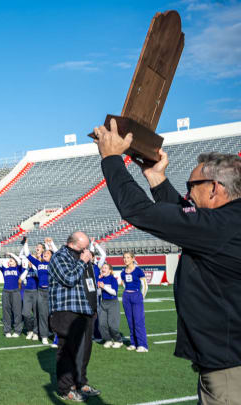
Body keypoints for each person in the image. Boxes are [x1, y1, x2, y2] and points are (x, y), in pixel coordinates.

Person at [95, 121, 241, 402]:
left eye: (191, 186)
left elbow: (139, 211)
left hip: (230, 373)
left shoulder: (220, 226)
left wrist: (112, 159)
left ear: (214, 188)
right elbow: (187, 218)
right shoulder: (227, 222)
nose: (187, 193)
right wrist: (156, 178)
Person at [48, 231, 100, 402]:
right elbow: (69, 278)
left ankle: (80, 382)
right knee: (68, 351)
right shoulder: (59, 257)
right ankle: (65, 388)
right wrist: (83, 262)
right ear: (72, 244)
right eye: (82, 247)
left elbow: (89, 283)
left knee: (84, 352)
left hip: (85, 310)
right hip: (66, 311)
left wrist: (93, 306)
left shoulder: (82, 258)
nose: (85, 251)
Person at [23, 239, 53, 345]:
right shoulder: (39, 264)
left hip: (51, 292)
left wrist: (50, 245)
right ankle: (44, 336)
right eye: (44, 253)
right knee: (43, 314)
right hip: (41, 291)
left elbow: (57, 254)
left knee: (53, 314)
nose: (45, 254)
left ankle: (53, 333)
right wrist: (25, 243)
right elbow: (28, 255)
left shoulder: (54, 264)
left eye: (48, 253)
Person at [119, 252, 148, 352]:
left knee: (138, 321)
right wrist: (127, 293)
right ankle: (133, 343)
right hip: (126, 296)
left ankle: (142, 345)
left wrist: (141, 297)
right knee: (130, 321)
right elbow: (123, 284)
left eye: (128, 257)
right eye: (124, 258)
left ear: (132, 259)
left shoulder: (138, 271)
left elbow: (145, 285)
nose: (126, 259)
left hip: (136, 295)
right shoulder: (123, 272)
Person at [96, 263, 123, 349]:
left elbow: (114, 292)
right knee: (101, 324)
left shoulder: (113, 279)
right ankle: (108, 339)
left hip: (113, 303)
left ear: (110, 270)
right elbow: (98, 293)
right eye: (102, 267)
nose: (103, 269)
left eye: (105, 268)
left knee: (113, 325)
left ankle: (118, 340)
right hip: (103, 303)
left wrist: (104, 287)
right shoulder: (100, 279)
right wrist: (99, 288)